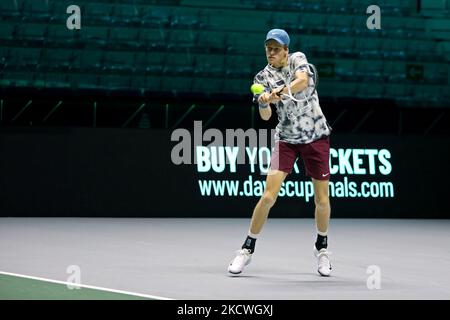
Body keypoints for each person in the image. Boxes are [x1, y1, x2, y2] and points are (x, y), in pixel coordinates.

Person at [228, 29, 333, 276]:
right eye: (268, 49)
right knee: (268, 196)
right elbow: (266, 117)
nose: (272, 53)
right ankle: (246, 250)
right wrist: (264, 102)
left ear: (286, 50)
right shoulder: (262, 76)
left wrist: (277, 93)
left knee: (321, 199)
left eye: (276, 49)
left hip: (316, 135)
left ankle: (323, 250)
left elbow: (302, 81)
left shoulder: (298, 59)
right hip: (286, 139)